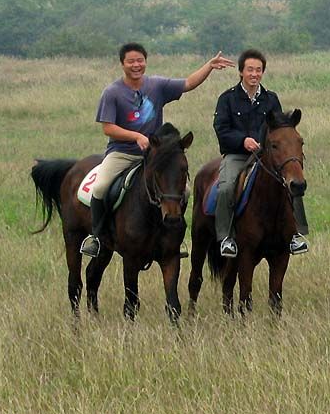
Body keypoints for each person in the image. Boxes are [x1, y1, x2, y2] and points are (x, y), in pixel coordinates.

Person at [80, 42, 235, 258]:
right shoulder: (112, 92)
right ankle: (96, 237)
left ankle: (176, 235)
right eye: (131, 61)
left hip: (156, 156)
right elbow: (108, 128)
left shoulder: (157, 85)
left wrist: (209, 66)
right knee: (101, 187)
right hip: (122, 152)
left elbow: (189, 83)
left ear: (145, 61)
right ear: (122, 64)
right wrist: (136, 136)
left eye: (140, 60)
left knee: (185, 190)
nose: (136, 65)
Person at [214, 48, 309, 258]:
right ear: (241, 72)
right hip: (237, 155)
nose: (254, 74)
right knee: (226, 187)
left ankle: (295, 235)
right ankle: (226, 237)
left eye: (258, 70)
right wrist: (243, 141)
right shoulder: (227, 99)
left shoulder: (271, 99)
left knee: (293, 182)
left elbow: (281, 129)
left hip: (266, 156)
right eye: (250, 70)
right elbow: (221, 129)